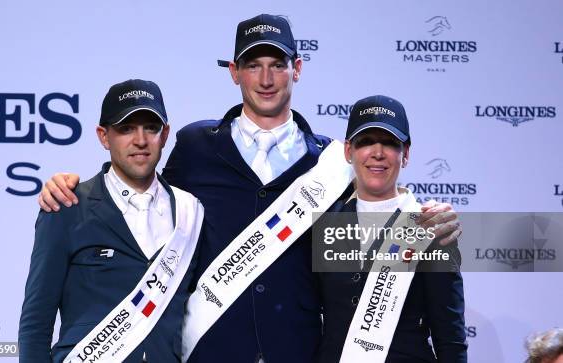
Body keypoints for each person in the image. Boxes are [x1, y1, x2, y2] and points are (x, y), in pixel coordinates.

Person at [36, 15, 462, 363]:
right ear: (234, 72)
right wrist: (72, 183)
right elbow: (143, 193)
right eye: (253, 64)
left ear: (297, 68)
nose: (266, 78)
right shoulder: (196, 146)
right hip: (212, 348)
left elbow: (380, 203)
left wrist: (430, 222)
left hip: (297, 351)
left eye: (277, 64)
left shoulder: (331, 161)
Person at [19, 79, 203, 362]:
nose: (140, 140)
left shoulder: (191, 212)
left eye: (150, 128)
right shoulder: (67, 206)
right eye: (126, 128)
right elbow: (35, 324)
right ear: (104, 136)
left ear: (165, 135)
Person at [317, 95, 467, 362]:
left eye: (389, 143)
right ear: (348, 151)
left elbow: (449, 335)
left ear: (405, 154)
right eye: (365, 142)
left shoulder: (430, 226)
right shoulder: (323, 222)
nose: (378, 153)